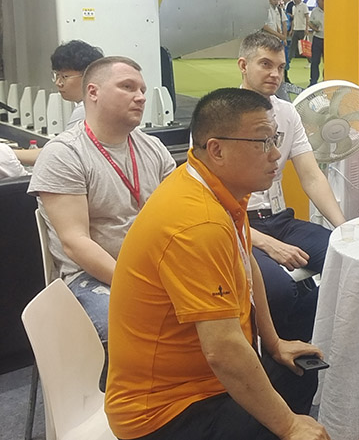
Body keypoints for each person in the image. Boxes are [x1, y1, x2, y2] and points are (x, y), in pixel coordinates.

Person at [105, 88, 329, 440]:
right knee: (290, 424)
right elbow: (222, 350)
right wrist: (288, 425)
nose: (275, 154)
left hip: (204, 380)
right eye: (262, 142)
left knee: (300, 372)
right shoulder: (198, 221)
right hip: (165, 410)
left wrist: (273, 343)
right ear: (217, 149)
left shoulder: (215, 188)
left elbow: (247, 264)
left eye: (275, 139)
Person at [28, 56, 176, 344]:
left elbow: (179, 216)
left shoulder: (153, 148)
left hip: (152, 267)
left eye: (142, 90)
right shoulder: (64, 154)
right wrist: (140, 285)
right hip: (88, 276)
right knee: (129, 328)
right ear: (93, 92)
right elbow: (75, 242)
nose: (140, 97)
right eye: (127, 87)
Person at [237, 31, 346, 341]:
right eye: (265, 64)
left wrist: (344, 229)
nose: (275, 74)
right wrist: (267, 244)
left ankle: (298, 339)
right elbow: (211, 201)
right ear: (243, 65)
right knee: (280, 289)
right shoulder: (221, 114)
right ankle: (280, 349)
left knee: (346, 261)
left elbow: (312, 176)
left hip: (279, 219)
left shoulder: (287, 112)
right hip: (238, 225)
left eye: (281, 67)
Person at [16, 40, 105, 166]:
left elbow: (59, 155)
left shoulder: (88, 108)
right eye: (56, 75)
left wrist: (7, 153)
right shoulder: (93, 103)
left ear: (88, 75)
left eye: (64, 76)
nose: (58, 83)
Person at [285, 0, 312, 85]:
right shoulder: (293, 7)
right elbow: (294, 19)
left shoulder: (304, 6)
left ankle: (310, 61)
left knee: (304, 47)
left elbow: (307, 17)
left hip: (302, 29)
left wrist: (307, 28)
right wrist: (292, 29)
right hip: (296, 29)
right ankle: (289, 61)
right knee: (292, 46)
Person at [263, 0, 289, 82]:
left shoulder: (277, 9)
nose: (276, 1)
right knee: (268, 61)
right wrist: (279, 35)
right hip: (266, 40)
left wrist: (282, 36)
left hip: (276, 40)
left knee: (279, 61)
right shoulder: (265, 9)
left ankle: (282, 80)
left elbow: (278, 24)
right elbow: (264, 26)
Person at [307, 0, 325, 86]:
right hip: (317, 38)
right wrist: (314, 28)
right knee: (315, 61)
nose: (317, 1)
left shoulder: (332, 9)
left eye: (319, 0)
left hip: (329, 41)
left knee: (329, 62)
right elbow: (309, 22)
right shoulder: (315, 11)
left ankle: (327, 80)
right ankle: (313, 81)